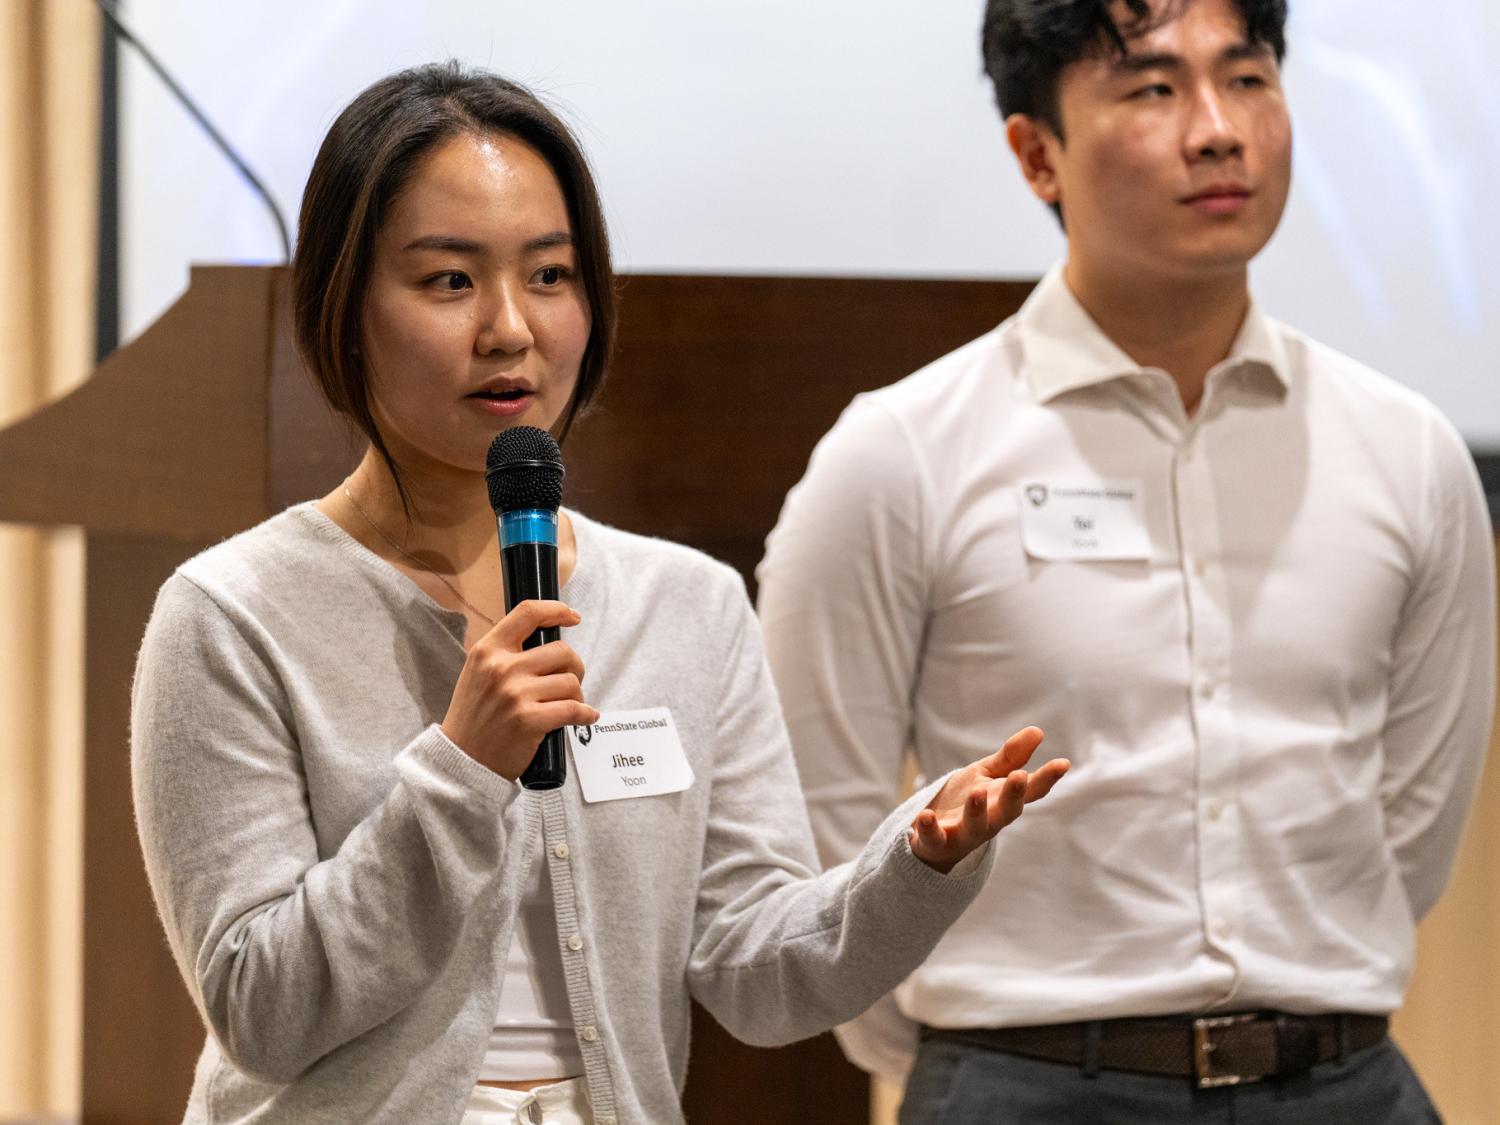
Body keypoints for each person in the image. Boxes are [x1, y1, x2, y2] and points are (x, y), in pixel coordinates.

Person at [128, 62, 1070, 1125]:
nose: (509, 329)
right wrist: (460, 772)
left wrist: (913, 868)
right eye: (448, 281)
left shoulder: (690, 607)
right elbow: (261, 1007)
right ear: (345, 308)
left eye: (550, 275)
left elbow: (755, 975)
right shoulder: (231, 616)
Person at [757, 1, 1496, 1121]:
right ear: (1035, 151)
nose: (1217, 129)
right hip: (1027, 1085)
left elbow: (1414, 822)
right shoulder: (901, 453)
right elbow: (816, 824)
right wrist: (991, 1067)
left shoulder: (1409, 450)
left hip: (1348, 1085)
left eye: (1247, 79)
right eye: (1152, 89)